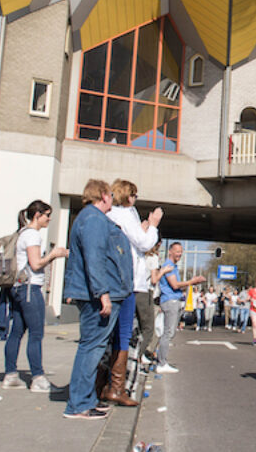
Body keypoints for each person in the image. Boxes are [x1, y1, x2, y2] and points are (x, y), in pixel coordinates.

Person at [63, 179, 133, 420]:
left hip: (97, 292)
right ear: (103, 195)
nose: (113, 198)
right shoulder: (93, 219)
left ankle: (86, 399)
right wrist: (103, 293)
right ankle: (79, 404)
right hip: (99, 295)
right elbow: (95, 258)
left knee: (93, 346)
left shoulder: (90, 218)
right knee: (92, 347)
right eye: (111, 194)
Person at [104, 179, 161, 407]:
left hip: (118, 280)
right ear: (129, 196)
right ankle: (120, 387)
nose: (136, 199)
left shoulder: (112, 215)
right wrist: (153, 225)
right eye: (135, 195)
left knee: (112, 335)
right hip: (130, 283)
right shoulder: (125, 214)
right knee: (128, 334)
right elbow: (144, 244)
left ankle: (106, 385)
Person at [3, 200, 69, 393]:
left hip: (18, 288)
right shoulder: (32, 235)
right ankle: (38, 378)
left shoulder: (22, 233)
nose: (49, 219)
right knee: (36, 334)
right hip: (30, 289)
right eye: (47, 215)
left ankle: (10, 374)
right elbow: (36, 264)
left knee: (16, 332)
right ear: (37, 215)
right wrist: (53, 255)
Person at [156, 242, 206, 374]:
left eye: (181, 252)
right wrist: (192, 282)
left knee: (170, 332)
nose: (179, 254)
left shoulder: (173, 266)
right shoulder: (168, 266)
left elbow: (178, 285)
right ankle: (161, 363)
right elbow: (174, 285)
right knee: (168, 333)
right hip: (170, 301)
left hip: (174, 300)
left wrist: (191, 283)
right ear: (170, 251)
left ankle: (162, 360)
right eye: (177, 251)